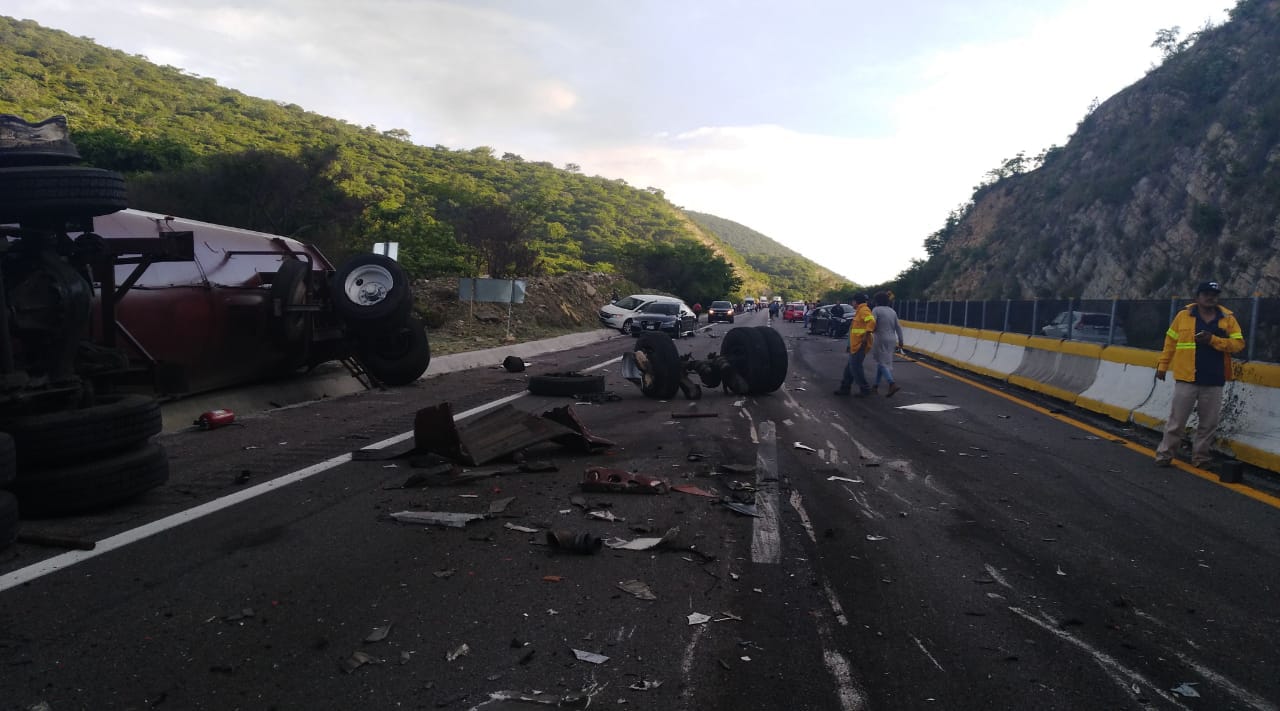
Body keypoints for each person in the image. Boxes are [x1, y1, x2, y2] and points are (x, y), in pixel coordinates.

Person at [1154, 280, 1246, 467]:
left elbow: (1238, 344)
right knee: (1176, 422)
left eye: (1214, 294)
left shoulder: (1227, 318)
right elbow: (1170, 343)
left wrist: (1213, 340)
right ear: (1197, 297)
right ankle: (1164, 455)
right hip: (1187, 378)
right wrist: (1162, 366)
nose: (1211, 297)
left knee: (1208, 424)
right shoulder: (1183, 316)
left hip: (1214, 379)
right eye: (1206, 294)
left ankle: (1201, 458)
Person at [834, 294, 876, 397]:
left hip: (860, 344)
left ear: (856, 301)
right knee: (850, 368)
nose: (851, 303)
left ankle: (865, 389)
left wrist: (866, 334)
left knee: (855, 368)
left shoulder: (864, 310)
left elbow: (872, 322)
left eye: (852, 301)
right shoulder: (859, 311)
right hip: (855, 344)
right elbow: (855, 330)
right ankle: (845, 388)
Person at [869, 291, 904, 397]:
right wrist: (901, 340)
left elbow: (873, 324)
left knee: (882, 362)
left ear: (877, 301)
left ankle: (891, 383)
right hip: (892, 339)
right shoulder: (892, 311)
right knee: (883, 361)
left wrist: (868, 332)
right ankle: (875, 386)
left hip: (880, 338)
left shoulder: (876, 310)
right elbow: (898, 326)